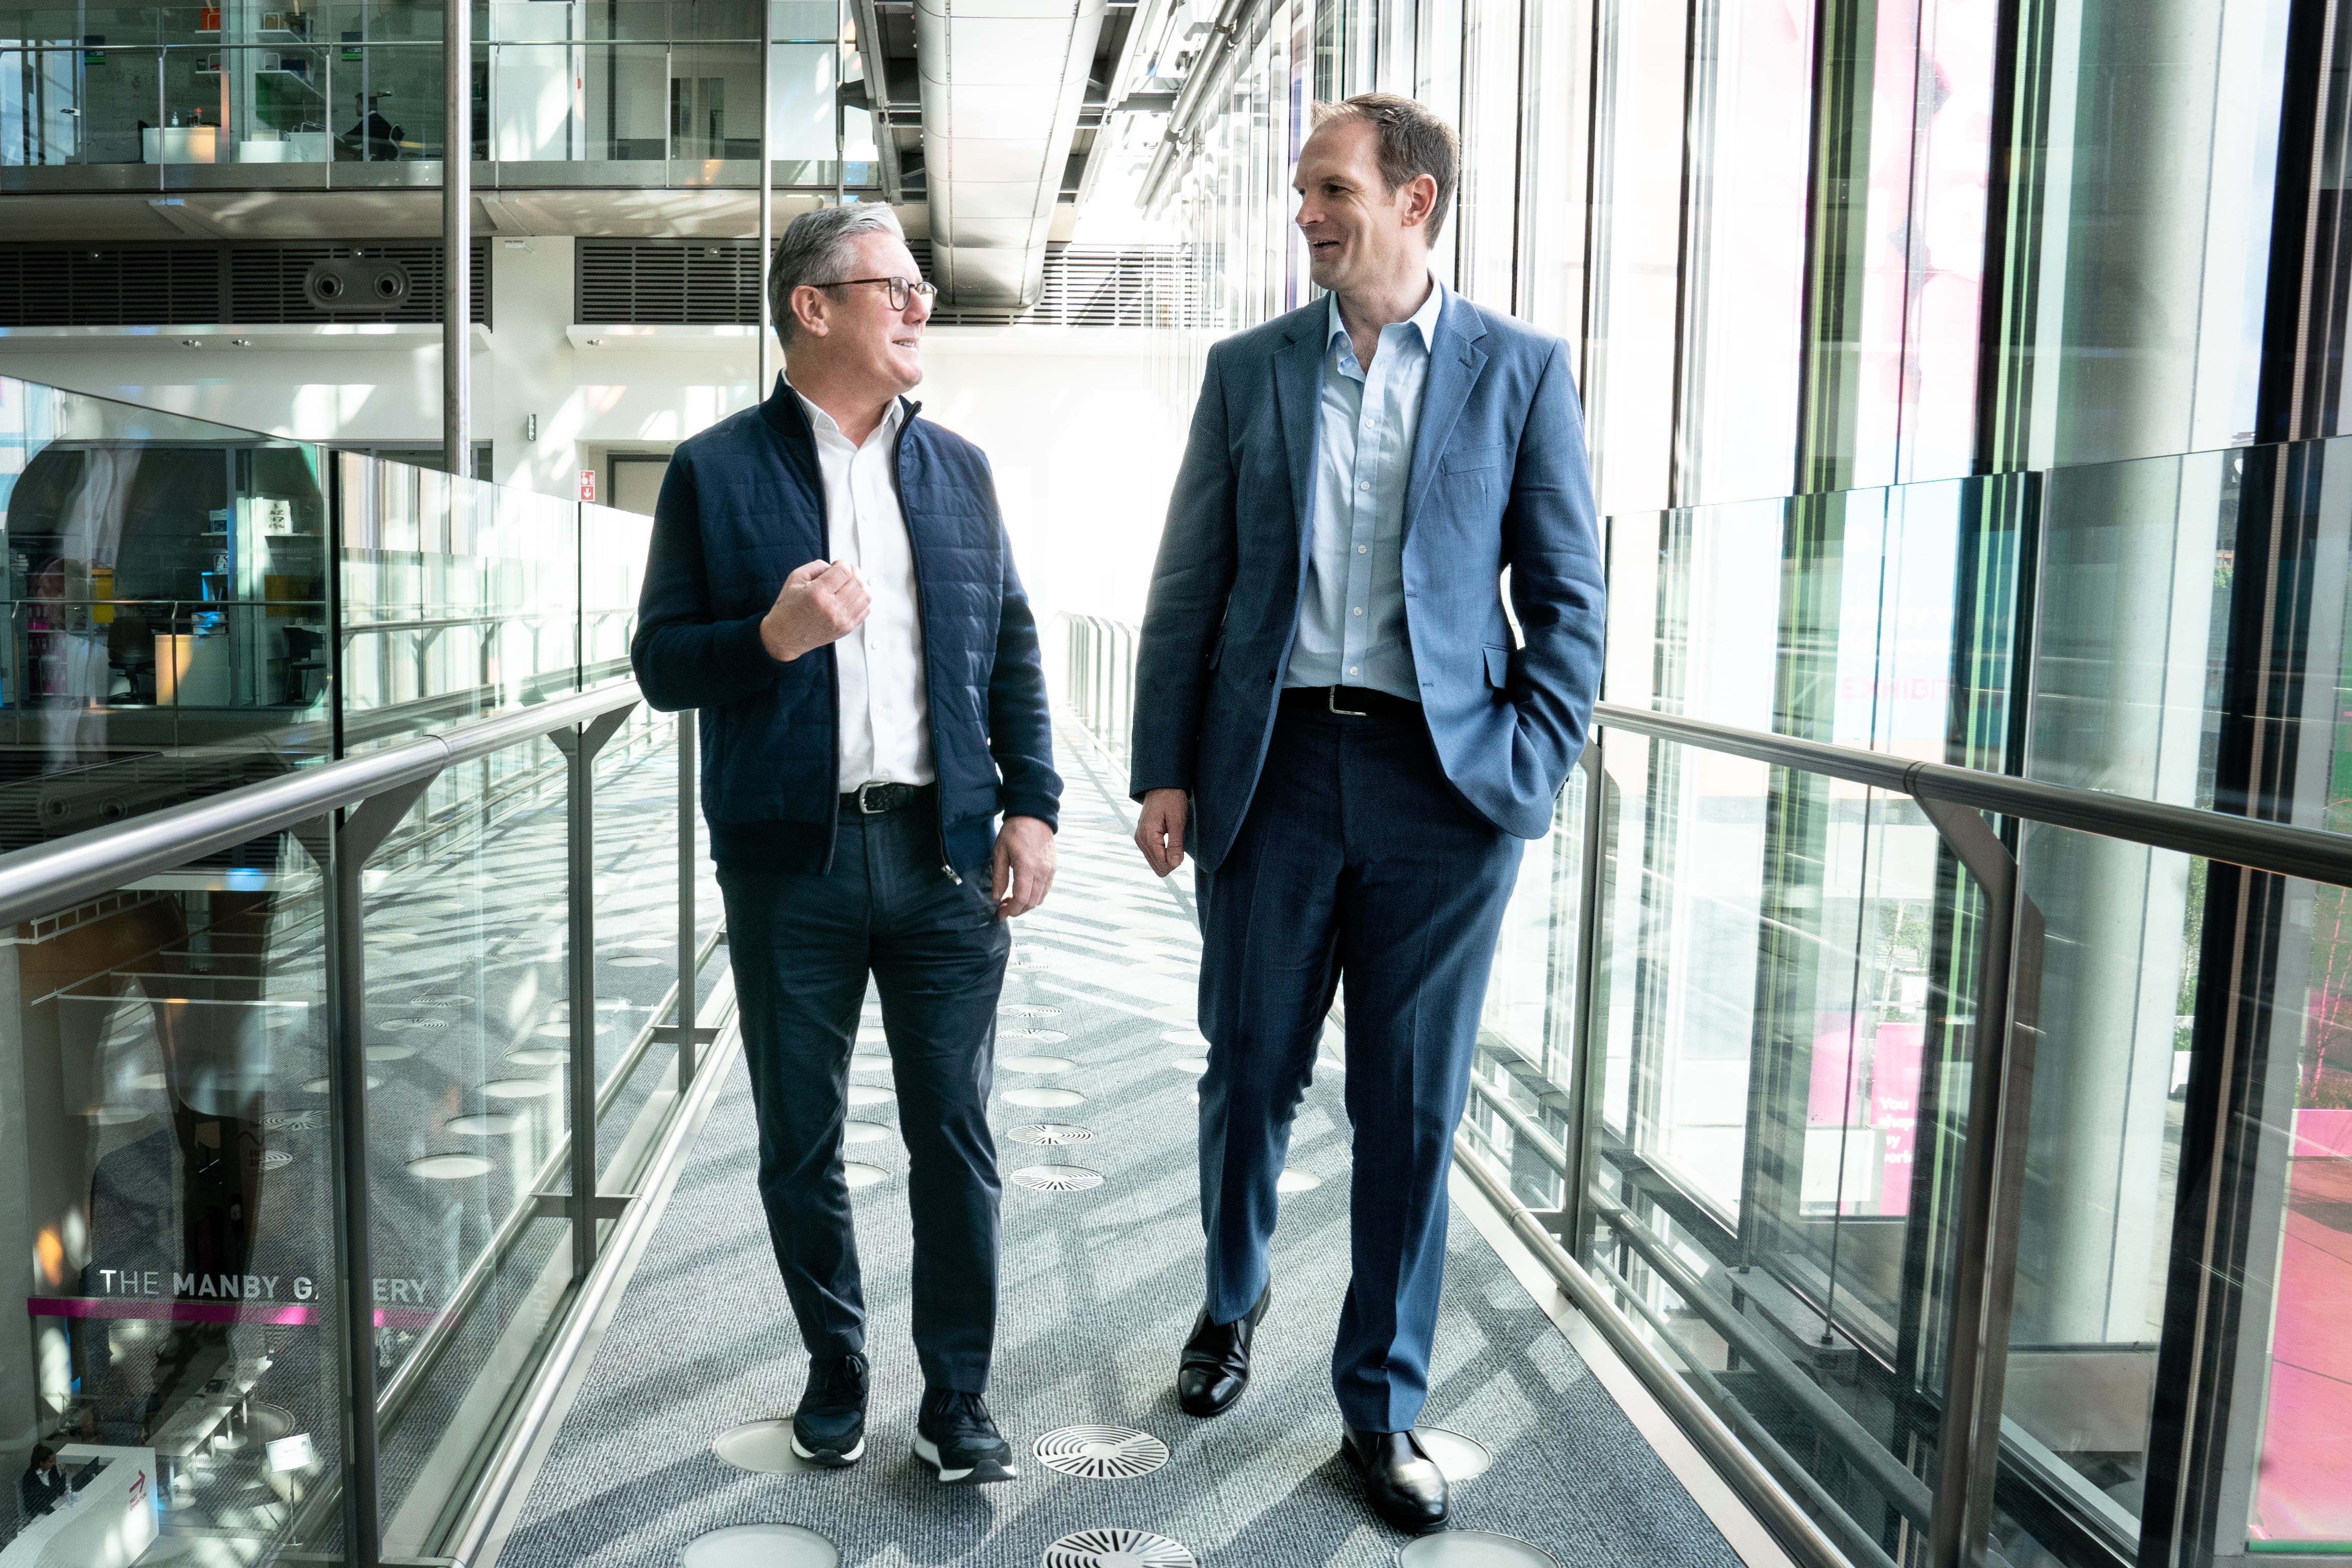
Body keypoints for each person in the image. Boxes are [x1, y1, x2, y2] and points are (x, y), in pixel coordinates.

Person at [1128, 94, 1605, 1534]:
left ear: (1415, 202)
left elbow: (1569, 599)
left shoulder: (1518, 371)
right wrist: (1167, 765)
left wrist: (1523, 765)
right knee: (1247, 1067)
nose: (1306, 214)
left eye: (1330, 188)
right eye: (1299, 191)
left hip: (1444, 795)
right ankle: (1228, 1302)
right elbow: (1188, 586)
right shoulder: (1249, 370)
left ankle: (1381, 1404)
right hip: (1270, 775)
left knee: (1410, 1105)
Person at [631, 203, 1060, 1486]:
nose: (920, 304)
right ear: (813, 307)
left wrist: (1031, 804)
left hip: (941, 861)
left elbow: (1015, 651)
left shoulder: (961, 470)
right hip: (790, 866)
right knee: (799, 1139)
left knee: (955, 1135)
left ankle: (959, 1396)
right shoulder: (714, 471)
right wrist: (766, 638)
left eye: (921, 284)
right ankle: (835, 1362)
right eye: (895, 286)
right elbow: (659, 664)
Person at [19, 1446, 67, 1520]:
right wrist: (54, 1513)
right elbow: (36, 1501)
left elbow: (60, 1490)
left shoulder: (52, 1470)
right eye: (50, 1462)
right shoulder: (30, 1476)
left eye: (53, 1461)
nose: (53, 1464)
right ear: (42, 1463)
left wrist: (63, 1473)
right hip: (37, 1513)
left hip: (52, 1505)